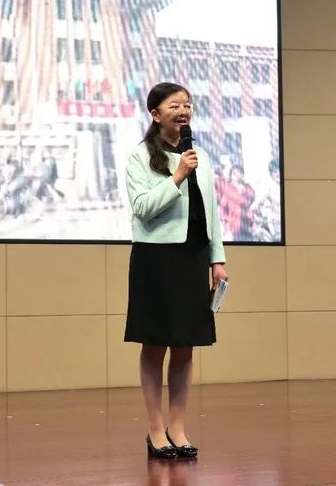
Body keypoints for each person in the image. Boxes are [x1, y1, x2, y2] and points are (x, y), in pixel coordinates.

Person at [124, 82, 228, 459]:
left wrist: (217, 259)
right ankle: (156, 431)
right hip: (156, 258)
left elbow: (211, 212)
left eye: (187, 105)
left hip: (193, 258)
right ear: (155, 114)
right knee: (155, 345)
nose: (183, 111)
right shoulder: (141, 156)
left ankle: (178, 429)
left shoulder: (200, 155)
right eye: (174, 106)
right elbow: (142, 207)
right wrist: (178, 175)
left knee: (185, 346)